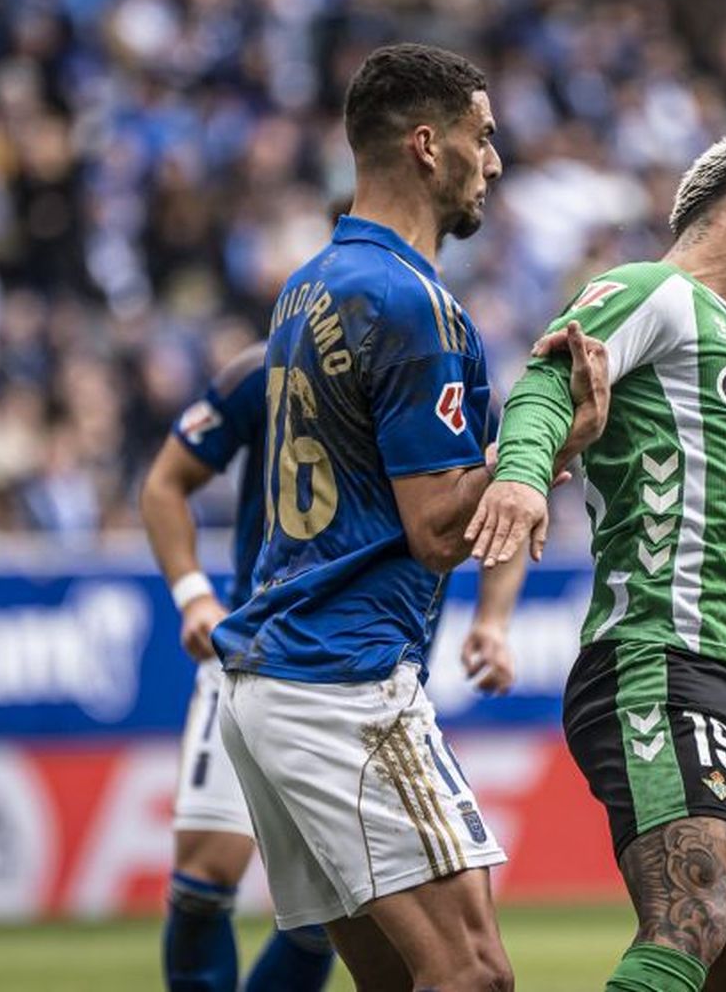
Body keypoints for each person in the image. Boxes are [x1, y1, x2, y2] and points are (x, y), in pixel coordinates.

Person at [209, 43, 608, 991]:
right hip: (343, 678)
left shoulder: (307, 285)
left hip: (273, 679)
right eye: (485, 136)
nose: (496, 161)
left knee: (401, 978)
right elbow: (437, 528)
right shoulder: (412, 301)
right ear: (430, 146)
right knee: (474, 973)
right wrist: (559, 440)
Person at [468, 136, 726, 992]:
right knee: (691, 915)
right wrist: (521, 475)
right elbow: (545, 384)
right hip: (661, 656)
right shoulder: (652, 292)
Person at [141, 338, 526, 990]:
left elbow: (505, 499)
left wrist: (492, 620)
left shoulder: (444, 379)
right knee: (205, 881)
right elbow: (164, 482)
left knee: (331, 919)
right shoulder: (265, 369)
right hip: (256, 650)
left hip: (363, 672)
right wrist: (192, 595)